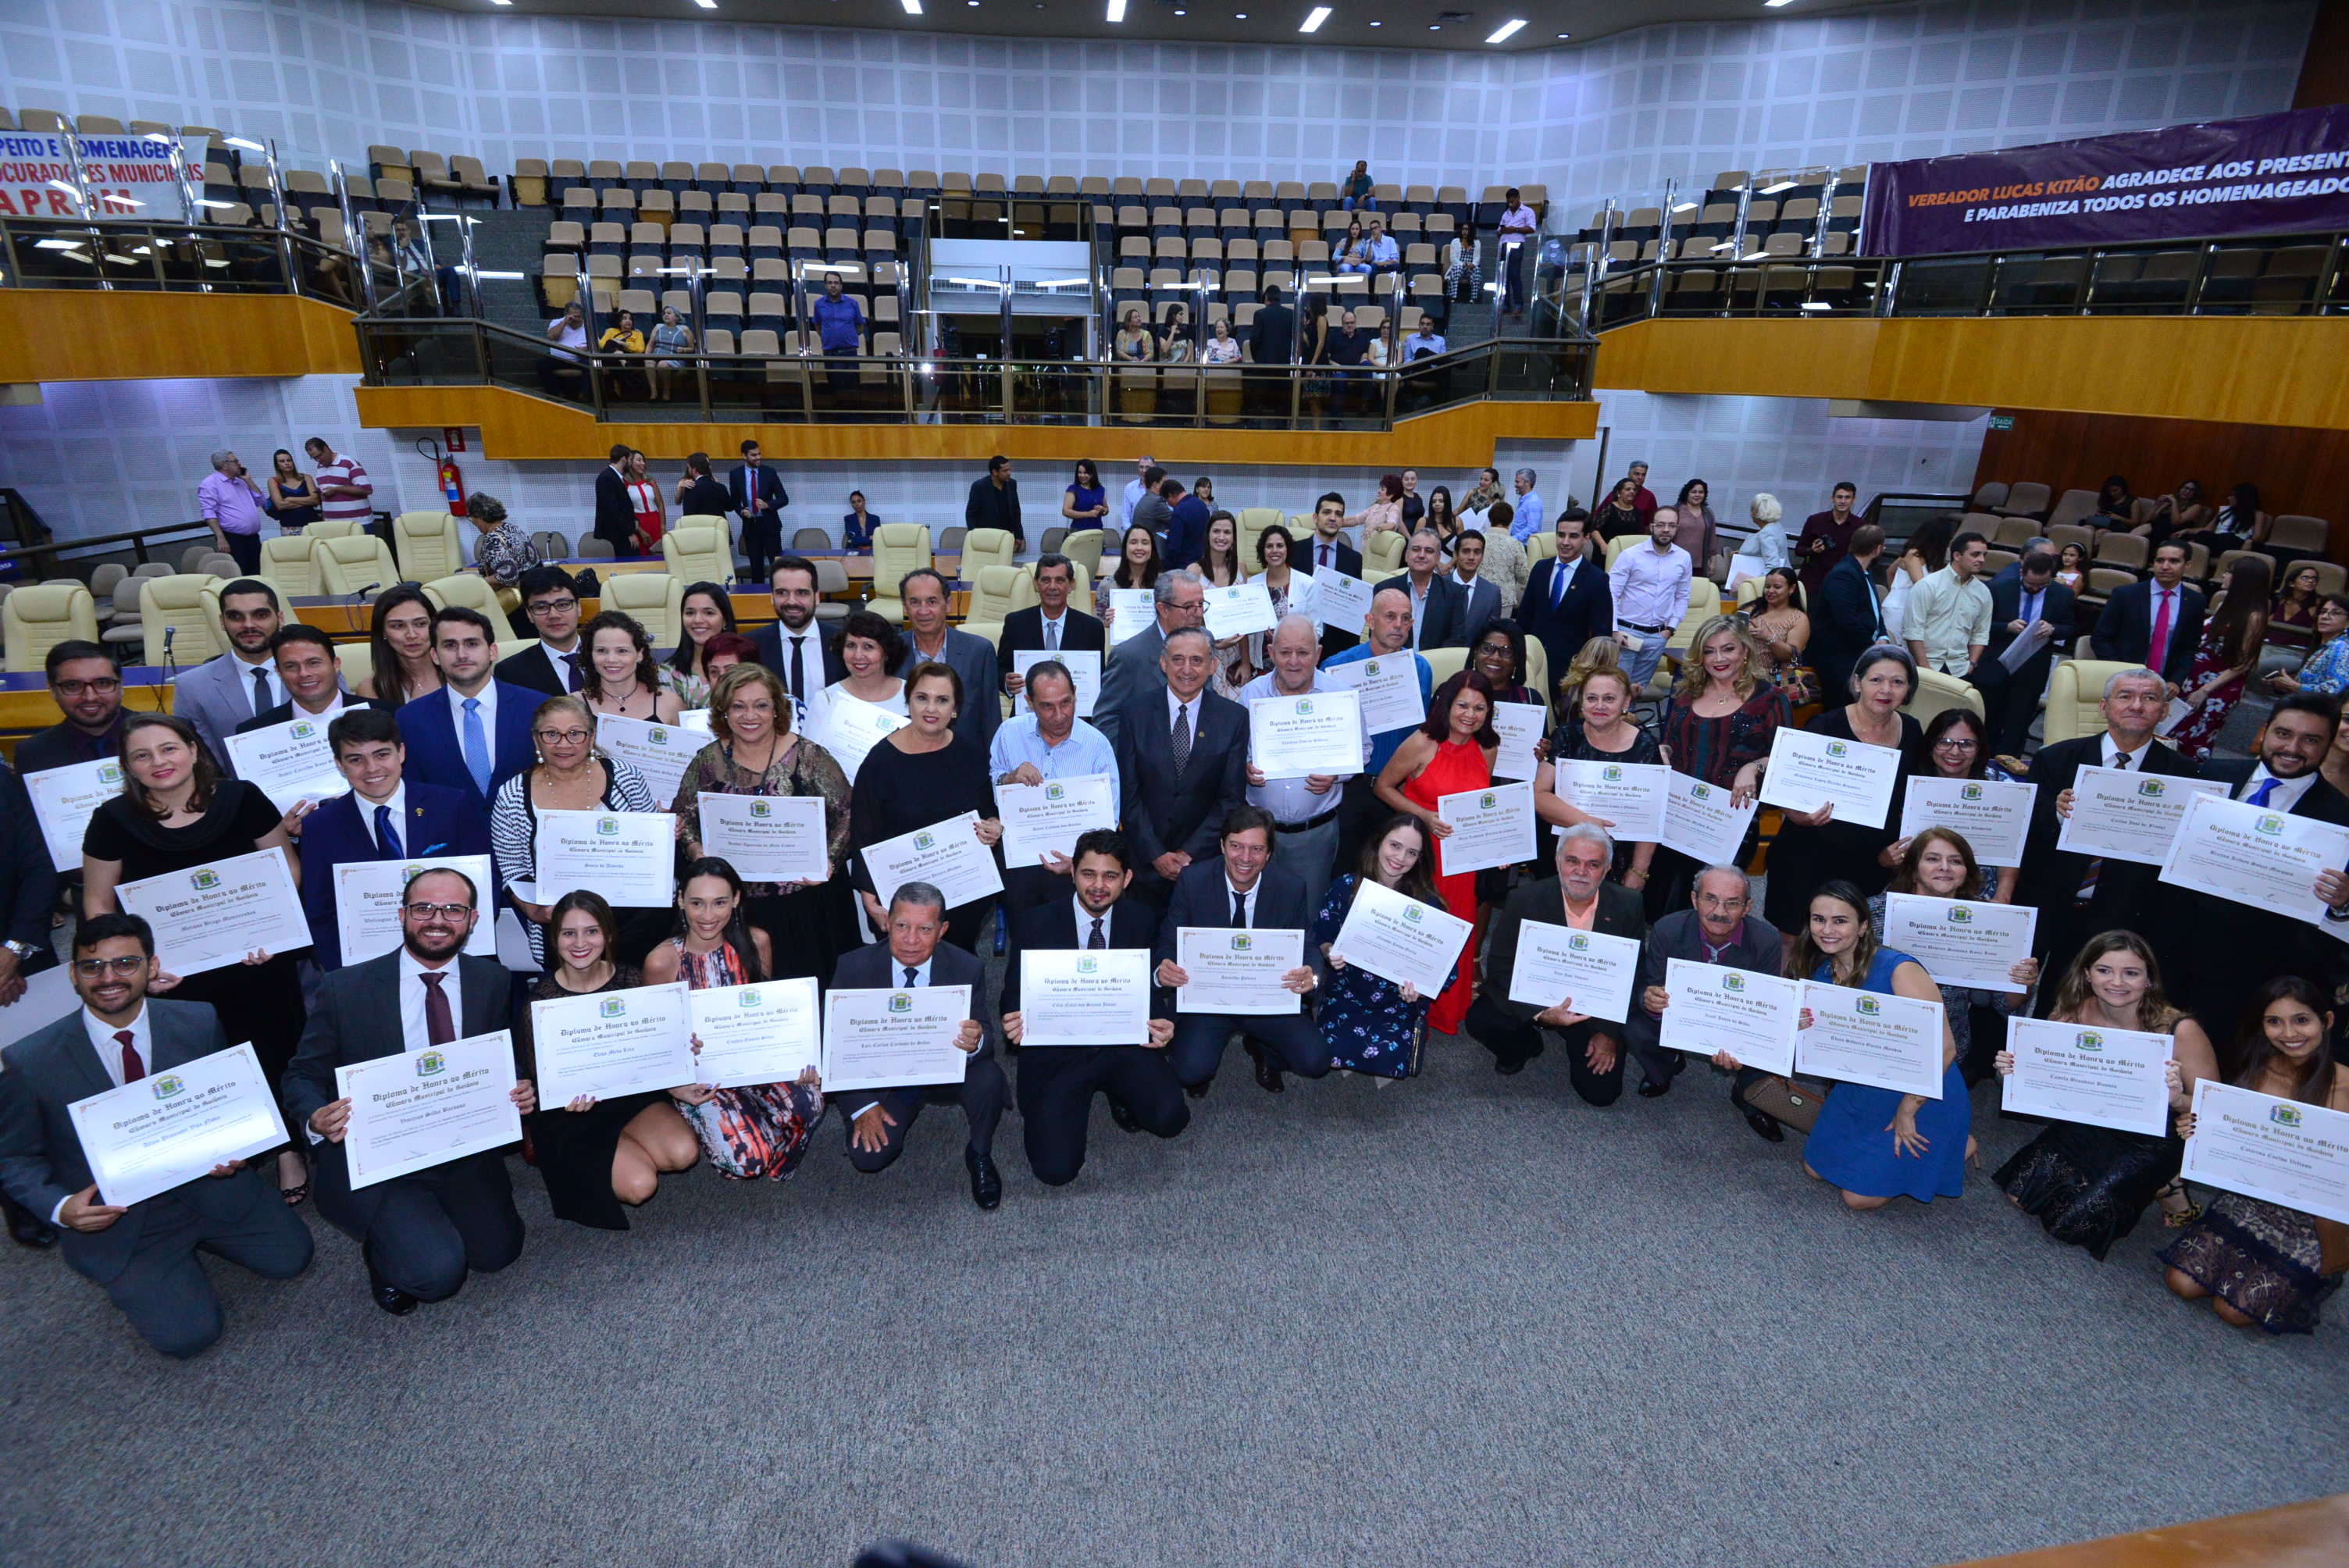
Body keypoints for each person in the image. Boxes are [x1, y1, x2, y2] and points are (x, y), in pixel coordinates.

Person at [0, 912, 312, 1356]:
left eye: (126, 963)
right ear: (73, 975)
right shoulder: (29, 1061)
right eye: (92, 966)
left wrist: (241, 1147)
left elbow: (229, 1105)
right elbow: (14, 1157)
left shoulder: (197, 1019)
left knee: (292, 1258)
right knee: (189, 1337)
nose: (109, 978)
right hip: (121, 1217)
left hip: (210, 1186)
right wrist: (60, 1207)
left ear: (152, 966)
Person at [286, 868, 533, 1315]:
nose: (437, 920)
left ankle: (423, 1223)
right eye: (423, 908)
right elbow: (302, 1074)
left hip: (461, 1145)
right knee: (435, 1276)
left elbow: (500, 1056)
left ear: (472, 920)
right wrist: (315, 1118)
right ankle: (384, 1249)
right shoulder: (345, 988)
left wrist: (518, 1086)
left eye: (453, 909)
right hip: (382, 1157)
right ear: (402, 915)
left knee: (497, 1254)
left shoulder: (491, 980)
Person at [80, 712, 308, 1192]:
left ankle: (288, 1147)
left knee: (272, 1045)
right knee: (202, 1061)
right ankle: (224, 1148)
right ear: (128, 766)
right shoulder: (112, 819)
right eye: (142, 755)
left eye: (168, 748)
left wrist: (272, 929)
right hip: (173, 972)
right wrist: (135, 968)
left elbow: (286, 867)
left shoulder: (242, 798)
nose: (158, 762)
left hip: (255, 958)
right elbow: (98, 903)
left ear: (193, 749)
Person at [1991, 932, 2215, 1259]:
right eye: (2104, 970)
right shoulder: (2073, 1012)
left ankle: (2168, 1184)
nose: (2117, 982)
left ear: (2149, 980)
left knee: (2069, 1225)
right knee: (2019, 1195)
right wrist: (2011, 1071)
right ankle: (2156, 1184)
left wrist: (2177, 1100)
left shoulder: (2180, 1030)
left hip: (2154, 1135)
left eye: (2131, 973)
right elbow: (2040, 1084)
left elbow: (2213, 1109)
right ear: (2087, 974)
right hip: (2091, 1118)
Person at [2160, 975, 2349, 1333]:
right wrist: (2195, 1126)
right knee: (2182, 1283)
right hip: (2252, 1202)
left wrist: (2336, 1246)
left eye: (2301, 1020)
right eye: (2274, 1021)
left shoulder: (2347, 1086)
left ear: (2326, 1021)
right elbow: (2229, 1129)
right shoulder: (2259, 1068)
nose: (2289, 1033)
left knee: (2233, 1311)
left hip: (2313, 1221)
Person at [1000, 830, 1185, 1185]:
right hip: (1059, 1051)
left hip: (1121, 1043)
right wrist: (1012, 1020)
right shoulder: (1035, 923)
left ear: (1126, 879)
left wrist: (1164, 1022)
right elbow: (1012, 993)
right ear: (1072, 874)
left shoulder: (1141, 918)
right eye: (1088, 874)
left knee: (1171, 1120)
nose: (1098, 886)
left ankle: (1117, 1090)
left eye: (1110, 876)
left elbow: (1145, 988)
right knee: (1055, 1171)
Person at [2160, 693, 2349, 1038]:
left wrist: (2342, 902)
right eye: (2283, 734)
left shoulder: (2342, 817)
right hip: (2169, 951)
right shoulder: (2209, 776)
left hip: (2255, 975)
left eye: (2310, 740)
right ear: (2264, 731)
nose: (2292, 748)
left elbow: (2337, 918)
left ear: (2327, 745)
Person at [1777, 882, 1967, 1209]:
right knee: (1814, 1169)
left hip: (1919, 1087)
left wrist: (1908, 1109)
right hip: (1861, 1084)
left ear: (1863, 926)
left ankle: (1957, 1146)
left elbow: (1946, 1048)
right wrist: (1802, 1030)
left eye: (1840, 921)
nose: (1827, 930)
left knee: (1857, 1199)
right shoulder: (1819, 972)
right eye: (1819, 919)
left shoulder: (1899, 969)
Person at [2015, 667, 2196, 1002]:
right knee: (2011, 999)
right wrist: (2057, 812)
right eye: (2125, 696)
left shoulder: (2185, 775)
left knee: (2082, 1008)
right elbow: (2025, 830)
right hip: (2048, 903)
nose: (2137, 706)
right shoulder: (2055, 758)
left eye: (2149, 698)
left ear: (2164, 711)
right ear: (2104, 707)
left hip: (2124, 914)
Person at [519, 891, 699, 1228]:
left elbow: (652, 1047)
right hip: (574, 1113)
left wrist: (679, 1060)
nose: (580, 943)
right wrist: (563, 1100)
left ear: (608, 935)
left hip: (629, 1094)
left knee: (683, 1153)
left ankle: (630, 1147)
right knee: (640, 1186)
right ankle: (597, 1160)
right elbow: (541, 1085)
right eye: (569, 933)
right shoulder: (539, 1004)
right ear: (554, 939)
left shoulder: (631, 979)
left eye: (592, 931)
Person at [672, 664, 859, 986]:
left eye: (761, 705)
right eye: (738, 706)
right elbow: (684, 816)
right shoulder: (707, 760)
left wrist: (828, 860)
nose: (750, 716)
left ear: (776, 709)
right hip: (733, 912)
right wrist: (695, 849)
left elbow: (848, 813)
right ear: (724, 711)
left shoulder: (810, 756)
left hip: (803, 906)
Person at [641, 857, 825, 1181]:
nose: (708, 916)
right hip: (703, 1080)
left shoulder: (757, 942)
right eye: (697, 903)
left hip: (756, 1063)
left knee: (810, 1101)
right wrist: (675, 1087)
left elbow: (768, 1015)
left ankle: (770, 1146)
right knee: (747, 1162)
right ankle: (750, 1135)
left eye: (719, 902)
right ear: (680, 900)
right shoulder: (662, 961)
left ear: (736, 900)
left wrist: (799, 1057)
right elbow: (653, 1039)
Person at [831, 882, 1004, 1209]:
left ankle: (980, 1152)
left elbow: (988, 1035)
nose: (911, 940)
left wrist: (977, 1040)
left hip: (946, 1073)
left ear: (942, 930)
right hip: (888, 1081)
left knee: (990, 1078)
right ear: (886, 923)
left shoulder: (967, 967)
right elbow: (835, 1046)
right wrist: (862, 1106)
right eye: (902, 926)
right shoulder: (853, 967)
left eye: (925, 929)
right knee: (868, 1157)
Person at [296, 708, 487, 972]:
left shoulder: (451, 805)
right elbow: (321, 910)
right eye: (356, 759)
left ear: (401, 753)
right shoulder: (320, 826)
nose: (372, 769)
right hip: (365, 970)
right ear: (339, 765)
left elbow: (484, 882)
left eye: (382, 755)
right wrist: (344, 973)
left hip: (456, 958)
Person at [1756, 645, 1923, 949]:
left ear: (1909, 689)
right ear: (1857, 683)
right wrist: (1797, 815)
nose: (1886, 690)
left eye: (1897, 682)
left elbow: (1913, 795)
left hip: (1871, 858)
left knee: (1854, 945)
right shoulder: (1823, 726)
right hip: (1810, 850)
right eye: (1876, 680)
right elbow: (1786, 787)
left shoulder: (1912, 731)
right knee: (1794, 940)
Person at [1154, 807, 1325, 1094]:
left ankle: (1263, 1050)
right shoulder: (1193, 880)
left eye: (1256, 849)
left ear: (1269, 854)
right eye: (1236, 846)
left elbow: (1308, 945)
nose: (1245, 858)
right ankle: (1205, 1059)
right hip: (1208, 1001)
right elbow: (1168, 941)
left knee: (1315, 1061)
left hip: (1268, 999)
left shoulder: (1290, 887)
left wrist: (1313, 975)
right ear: (1222, 846)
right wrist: (1163, 969)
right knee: (1189, 1070)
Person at [1468, 825, 1649, 1093]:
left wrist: (1609, 1032)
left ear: (1607, 868)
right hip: (1537, 995)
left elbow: (1633, 974)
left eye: (1593, 864)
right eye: (1572, 861)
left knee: (1601, 1094)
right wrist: (1540, 1014)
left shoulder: (1628, 904)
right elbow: (1502, 965)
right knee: (1481, 1019)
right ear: (1557, 861)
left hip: (1592, 1009)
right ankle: (1527, 1044)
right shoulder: (1523, 899)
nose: (1581, 871)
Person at [492, 694, 664, 967]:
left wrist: (667, 834)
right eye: (552, 734)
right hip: (562, 933)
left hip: (635, 925)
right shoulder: (512, 795)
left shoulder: (625, 777)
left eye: (575, 734)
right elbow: (512, 868)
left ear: (591, 736)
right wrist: (534, 910)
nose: (564, 744)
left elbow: (654, 848)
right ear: (536, 739)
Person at [1376, 669, 1497, 1037]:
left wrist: (1498, 844)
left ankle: (1441, 1011)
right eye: (1462, 705)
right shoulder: (1422, 742)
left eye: (1479, 708)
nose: (1470, 715)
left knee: (1453, 931)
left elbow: (1482, 807)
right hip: (1420, 857)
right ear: (1446, 705)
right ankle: (1401, 1009)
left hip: (1462, 862)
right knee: (1415, 931)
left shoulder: (1489, 748)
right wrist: (1424, 816)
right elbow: (1383, 786)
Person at [850, 664, 1003, 953]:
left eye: (942, 700)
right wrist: (869, 897)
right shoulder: (880, 762)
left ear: (955, 709)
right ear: (908, 701)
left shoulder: (970, 755)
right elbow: (862, 834)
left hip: (961, 895)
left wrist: (994, 828)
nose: (931, 708)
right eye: (922, 698)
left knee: (956, 967)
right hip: (902, 902)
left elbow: (987, 812)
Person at [1869, 828, 2037, 1083]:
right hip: (1878, 1037)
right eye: (1933, 859)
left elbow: (2006, 1002)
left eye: (1956, 861)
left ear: (1967, 872)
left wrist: (2023, 981)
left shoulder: (1991, 919)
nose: (1945, 867)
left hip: (1946, 1048)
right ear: (1913, 869)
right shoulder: (1874, 912)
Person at [1623, 864, 1784, 1117]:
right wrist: (1651, 999)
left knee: (1780, 1038)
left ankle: (1747, 1093)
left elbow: (1764, 1005)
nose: (1720, 912)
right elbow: (1651, 983)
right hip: (1681, 1016)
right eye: (1710, 899)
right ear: (1694, 899)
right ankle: (1665, 1067)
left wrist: (1737, 1045)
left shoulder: (1767, 940)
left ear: (1748, 908)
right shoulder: (1667, 929)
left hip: (1736, 1022)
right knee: (1635, 1023)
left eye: (1732, 903)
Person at [1652, 616, 1782, 914]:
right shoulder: (1686, 693)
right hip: (1679, 815)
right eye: (1709, 651)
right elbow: (1670, 741)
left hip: (1730, 821)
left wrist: (1753, 767)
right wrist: (1662, 750)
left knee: (1716, 907)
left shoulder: (1769, 698)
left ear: (1745, 650)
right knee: (1668, 906)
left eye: (1728, 649)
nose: (1719, 659)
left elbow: (1782, 758)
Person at [1236, 615, 1360, 919]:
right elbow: (1233, 750)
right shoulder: (1251, 694)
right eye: (1285, 652)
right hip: (1258, 834)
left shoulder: (1340, 694)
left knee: (1306, 917)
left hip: (1314, 835)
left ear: (1318, 654)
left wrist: (1337, 775)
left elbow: (1363, 750)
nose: (1293, 662)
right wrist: (1244, 767)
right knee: (1255, 915)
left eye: (1303, 653)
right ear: (1271, 652)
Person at [1116, 627, 1248, 911]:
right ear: (1163, 663)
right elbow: (1128, 793)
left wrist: (1189, 853)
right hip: (1144, 864)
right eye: (1178, 659)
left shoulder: (1234, 719)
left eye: (1196, 660)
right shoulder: (1134, 713)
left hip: (1203, 865)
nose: (1186, 669)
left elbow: (1231, 798)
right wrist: (1156, 854)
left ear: (1212, 666)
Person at [1312, 815, 1442, 1079]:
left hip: (1396, 998)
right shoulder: (1344, 887)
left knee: (1390, 1058)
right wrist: (1328, 951)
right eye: (1395, 845)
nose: (1400, 858)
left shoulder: (1427, 904)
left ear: (1420, 859)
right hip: (1347, 988)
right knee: (1324, 1055)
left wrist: (1419, 989)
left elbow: (1441, 965)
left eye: (1412, 852)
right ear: (1378, 843)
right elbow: (1321, 935)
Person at [989, 660, 1120, 913]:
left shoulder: (1097, 745)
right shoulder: (1009, 733)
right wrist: (1008, 779)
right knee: (1022, 930)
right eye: (1047, 706)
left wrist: (1078, 863)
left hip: (1074, 867)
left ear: (1075, 694)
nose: (1059, 715)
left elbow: (1109, 819)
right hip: (1020, 862)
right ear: (1029, 701)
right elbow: (990, 788)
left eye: (1066, 702)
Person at [1325, 587, 1436, 864]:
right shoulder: (1336, 667)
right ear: (1370, 621)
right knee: (1346, 867)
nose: (1399, 625)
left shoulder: (1421, 668)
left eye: (1406, 618)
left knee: (1391, 870)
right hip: (1351, 787)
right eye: (1390, 616)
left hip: (1398, 789)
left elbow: (1421, 732)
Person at [1532, 665, 1659, 887]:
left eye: (1609, 698)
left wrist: (1639, 871)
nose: (1599, 706)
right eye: (1592, 698)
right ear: (1582, 702)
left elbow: (1652, 814)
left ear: (1626, 702)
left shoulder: (1646, 746)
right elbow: (1538, 795)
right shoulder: (1566, 736)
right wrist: (1590, 823)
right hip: (1561, 852)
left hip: (1619, 858)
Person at [1887, 707, 2022, 904]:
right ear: (1931, 745)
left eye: (1966, 744)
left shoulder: (2003, 786)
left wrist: (2003, 896)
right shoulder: (1910, 785)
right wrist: (1887, 858)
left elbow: (2011, 850)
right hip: (1918, 892)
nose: (1955, 752)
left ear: (1979, 749)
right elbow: (1896, 854)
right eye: (1945, 742)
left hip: (1982, 893)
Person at [2164, 554, 2272, 761]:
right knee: (2170, 732)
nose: (2224, 575)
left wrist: (2205, 690)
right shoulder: (2225, 604)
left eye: (2229, 572)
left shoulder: (2254, 616)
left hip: (2217, 687)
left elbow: (2244, 663)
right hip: (2193, 678)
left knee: (2195, 740)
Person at [170, 578, 286, 769]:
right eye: (235, 617)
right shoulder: (191, 686)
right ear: (222, 622)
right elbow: (200, 762)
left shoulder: (316, 673)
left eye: (260, 615)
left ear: (280, 619)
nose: (248, 625)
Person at [1974, 547, 2073, 755]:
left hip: (2032, 668)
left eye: (2042, 585)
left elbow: (2072, 627)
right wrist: (2006, 627)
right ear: (2022, 573)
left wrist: (2054, 629)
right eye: (2030, 584)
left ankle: (2010, 765)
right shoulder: (1997, 588)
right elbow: (1978, 626)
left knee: (2018, 726)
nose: (2036, 589)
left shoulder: (2063, 595)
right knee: (1987, 723)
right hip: (1995, 666)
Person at [1096, 568, 1206, 752]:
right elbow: (1106, 720)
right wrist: (1133, 760)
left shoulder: (1205, 641)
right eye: (1188, 607)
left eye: (1201, 604)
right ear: (1163, 609)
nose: (1199, 613)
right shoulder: (1129, 656)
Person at [892, 568, 1000, 754]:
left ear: (948, 604)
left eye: (932, 601)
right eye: (915, 602)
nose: (923, 611)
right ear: (905, 607)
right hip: (906, 757)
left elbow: (990, 719)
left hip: (964, 758)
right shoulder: (890, 651)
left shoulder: (979, 652)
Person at [1517, 511, 1611, 700]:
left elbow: (1601, 634)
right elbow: (1524, 618)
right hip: (1532, 665)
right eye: (1561, 535)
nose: (1565, 542)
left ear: (1586, 538)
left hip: (1570, 672)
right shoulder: (1540, 568)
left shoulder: (1597, 579)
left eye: (1573, 536)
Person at [2091, 540, 2205, 690]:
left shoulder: (2195, 601)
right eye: (2160, 560)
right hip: (2121, 680)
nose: (2165, 566)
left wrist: (2175, 681)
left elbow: (2189, 648)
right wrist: (2121, 673)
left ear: (2187, 565)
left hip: (2163, 686)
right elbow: (2100, 638)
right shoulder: (2126, 595)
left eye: (2174, 561)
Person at [997, 551, 1107, 703]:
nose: (1052, 587)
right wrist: (1007, 682)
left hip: (1077, 712)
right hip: (1028, 712)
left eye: (1060, 580)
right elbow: (1000, 670)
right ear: (1036, 583)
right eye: (1046, 580)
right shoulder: (1015, 623)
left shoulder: (1092, 628)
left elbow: (1099, 677)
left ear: (1071, 585)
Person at [751, 554, 845, 730]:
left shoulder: (844, 642)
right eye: (782, 593)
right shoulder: (752, 645)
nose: (791, 601)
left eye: (801, 593)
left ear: (817, 597)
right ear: (772, 597)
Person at [1609, 505, 1694, 693]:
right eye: (1661, 525)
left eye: (1671, 525)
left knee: (1638, 690)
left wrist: (1671, 629)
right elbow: (1611, 594)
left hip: (1658, 635)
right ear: (1651, 526)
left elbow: (1682, 596)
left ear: (1677, 528)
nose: (1666, 530)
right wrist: (1615, 631)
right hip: (1626, 632)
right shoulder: (1630, 555)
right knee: (1618, 689)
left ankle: (1631, 714)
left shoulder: (1683, 558)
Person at [1806, 522, 1890, 703]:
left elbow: (1875, 611)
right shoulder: (1844, 575)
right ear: (1877, 549)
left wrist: (1883, 636)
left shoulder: (1863, 572)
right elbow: (1846, 622)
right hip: (1839, 659)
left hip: (1858, 652)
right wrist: (1872, 646)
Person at [17, 639, 127, 775]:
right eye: (73, 685)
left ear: (121, 685)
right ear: (52, 690)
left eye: (102, 683)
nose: (90, 697)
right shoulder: (31, 753)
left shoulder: (154, 734)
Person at [809, 610, 908, 744]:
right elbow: (809, 753)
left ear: (886, 653)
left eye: (868, 647)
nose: (858, 655)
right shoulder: (826, 699)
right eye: (851, 646)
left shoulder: (910, 693)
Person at [1904, 529, 1992, 679]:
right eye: (1975, 554)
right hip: (1926, 665)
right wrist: (1924, 667)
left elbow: (1981, 633)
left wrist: (1972, 664)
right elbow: (1913, 630)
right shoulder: (1929, 585)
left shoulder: (1983, 592)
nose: (1982, 560)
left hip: (1960, 669)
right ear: (1957, 556)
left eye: (1984, 555)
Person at [579, 609, 683, 725]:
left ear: (639, 654)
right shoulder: (574, 705)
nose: (611, 659)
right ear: (591, 655)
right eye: (601, 650)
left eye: (622, 651)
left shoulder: (671, 704)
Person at [1374, 528, 1467, 653]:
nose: (1422, 555)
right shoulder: (1384, 589)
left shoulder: (1454, 593)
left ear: (1438, 557)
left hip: (1435, 662)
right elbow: (1377, 634)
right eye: (1416, 549)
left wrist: (1429, 660)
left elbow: (1457, 638)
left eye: (1429, 551)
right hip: (1394, 660)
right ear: (1406, 556)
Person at [497, 566, 586, 697]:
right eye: (541, 607)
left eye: (563, 605)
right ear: (529, 614)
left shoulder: (612, 655)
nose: (553, 615)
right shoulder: (510, 673)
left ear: (578, 607)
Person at [355, 584, 442, 708]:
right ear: (383, 632)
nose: (411, 635)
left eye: (420, 624)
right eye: (398, 626)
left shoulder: (459, 675)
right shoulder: (371, 690)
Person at [1244, 523, 1312, 674]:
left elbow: (1317, 629)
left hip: (1295, 664)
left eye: (1280, 546)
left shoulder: (1307, 584)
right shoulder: (1251, 584)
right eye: (1269, 546)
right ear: (1263, 551)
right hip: (1260, 664)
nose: (1275, 550)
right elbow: (1246, 626)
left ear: (1288, 549)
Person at [1745, 567, 1814, 705]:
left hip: (1777, 683)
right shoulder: (1752, 611)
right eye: (1767, 587)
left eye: (1777, 587)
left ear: (1791, 589)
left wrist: (1768, 637)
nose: (1770, 591)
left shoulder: (1798, 618)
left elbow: (1792, 656)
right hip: (1744, 677)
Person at [1882, 514, 1954, 644]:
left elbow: (1890, 572)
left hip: (1912, 611)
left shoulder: (1923, 556)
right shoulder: (1913, 555)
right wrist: (1896, 592)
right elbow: (1921, 586)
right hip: (1898, 610)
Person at [195, 449, 268, 576]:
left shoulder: (242, 481)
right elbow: (209, 513)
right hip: (233, 539)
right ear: (224, 465)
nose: (240, 464)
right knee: (241, 575)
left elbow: (261, 501)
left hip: (253, 538)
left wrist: (249, 480)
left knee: (258, 574)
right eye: (235, 461)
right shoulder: (210, 484)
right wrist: (220, 538)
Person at [664, 580, 738, 704]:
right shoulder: (667, 673)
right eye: (690, 613)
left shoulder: (746, 666)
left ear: (725, 620)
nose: (697, 620)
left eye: (709, 613)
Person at [2265, 593, 2349, 697]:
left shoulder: (2342, 647)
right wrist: (2284, 684)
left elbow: (2333, 690)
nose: (2325, 617)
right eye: (2323, 612)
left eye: (2336, 613)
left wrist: (2296, 687)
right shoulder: (2325, 646)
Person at [730, 439, 789, 584]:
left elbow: (784, 498)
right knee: (756, 569)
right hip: (751, 526)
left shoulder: (769, 472)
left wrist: (767, 505)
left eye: (759, 454)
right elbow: (734, 502)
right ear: (744, 456)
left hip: (770, 525)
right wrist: (742, 511)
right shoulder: (735, 474)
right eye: (754, 455)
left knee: (777, 568)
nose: (758, 457)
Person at [1439, 530, 1504, 652]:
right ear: (1456, 554)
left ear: (1482, 556)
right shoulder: (1439, 586)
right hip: (1439, 656)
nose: (1471, 557)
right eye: (1466, 551)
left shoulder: (1492, 593)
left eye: (1477, 552)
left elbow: (1491, 635)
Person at [1795, 482, 1862, 596]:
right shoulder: (1815, 520)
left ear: (1853, 500)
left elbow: (1862, 555)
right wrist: (1812, 550)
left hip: (1842, 582)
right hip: (1814, 581)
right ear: (1832, 499)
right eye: (1839, 497)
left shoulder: (1859, 525)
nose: (1843, 501)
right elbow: (1798, 550)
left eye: (1847, 497)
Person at [465, 493, 540, 595]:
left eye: (471, 518)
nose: (472, 522)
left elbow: (508, 576)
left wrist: (478, 583)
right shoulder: (513, 529)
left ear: (479, 517)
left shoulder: (494, 540)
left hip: (519, 596)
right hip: (537, 588)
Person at [810, 273, 865, 396]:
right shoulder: (818, 304)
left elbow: (860, 327)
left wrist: (846, 336)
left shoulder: (852, 303)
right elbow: (817, 325)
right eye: (830, 283)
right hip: (830, 353)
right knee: (835, 391)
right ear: (825, 285)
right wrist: (830, 337)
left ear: (841, 286)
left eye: (836, 283)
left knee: (852, 390)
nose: (833, 286)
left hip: (849, 353)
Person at [305, 437, 373, 529]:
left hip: (357, 522)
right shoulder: (320, 467)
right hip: (333, 524)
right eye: (314, 458)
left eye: (319, 455)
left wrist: (337, 490)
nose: (318, 460)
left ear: (326, 448)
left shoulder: (348, 462)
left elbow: (366, 489)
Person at [591, 444, 642, 556]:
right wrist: (629, 533)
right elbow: (612, 509)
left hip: (622, 533)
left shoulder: (615, 477)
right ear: (624, 459)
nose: (631, 463)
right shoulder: (606, 478)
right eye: (630, 460)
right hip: (618, 535)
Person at [1495, 187, 1538, 313]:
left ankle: (1518, 304)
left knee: (1514, 275)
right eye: (1509, 202)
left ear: (1519, 198)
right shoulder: (1505, 214)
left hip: (1516, 245)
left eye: (1513, 201)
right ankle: (1506, 304)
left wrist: (1515, 229)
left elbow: (1532, 228)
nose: (1510, 204)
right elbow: (1498, 231)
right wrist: (1501, 231)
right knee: (1504, 277)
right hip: (1503, 245)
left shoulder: (1527, 211)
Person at [965, 454, 1023, 547]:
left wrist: (1018, 535)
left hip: (1006, 535)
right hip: (986, 536)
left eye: (1009, 470)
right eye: (1005, 471)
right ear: (995, 472)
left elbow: (1016, 511)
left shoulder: (1012, 484)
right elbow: (971, 514)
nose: (1009, 473)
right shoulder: (979, 486)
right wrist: (974, 536)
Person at [2135, 477, 2211, 544]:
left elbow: (2176, 522)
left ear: (2195, 493)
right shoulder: (2168, 503)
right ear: (2180, 489)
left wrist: (2174, 502)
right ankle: (2131, 539)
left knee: (2153, 527)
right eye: (2186, 488)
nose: (2187, 491)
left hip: (2175, 533)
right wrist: (2157, 505)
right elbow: (2145, 521)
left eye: (2191, 490)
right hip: (2156, 529)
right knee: (2151, 526)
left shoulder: (2196, 507)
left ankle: (2131, 539)